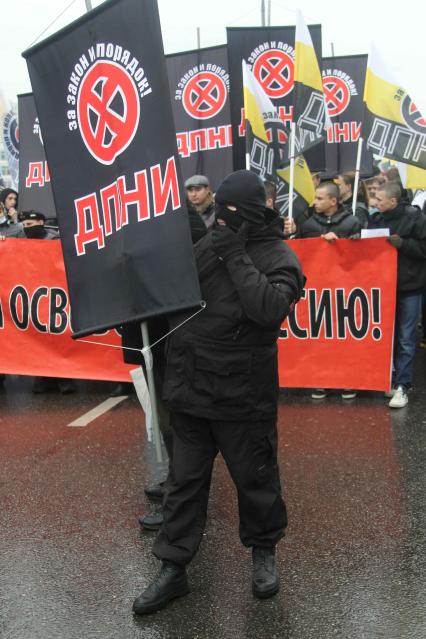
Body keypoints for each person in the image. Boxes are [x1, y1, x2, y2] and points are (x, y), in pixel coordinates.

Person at [132, 170, 304, 615]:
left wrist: (235, 255)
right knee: (184, 484)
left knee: (256, 481)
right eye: (219, 210)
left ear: (251, 213)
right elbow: (170, 298)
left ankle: (263, 552)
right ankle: (173, 567)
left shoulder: (280, 256)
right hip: (191, 389)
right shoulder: (206, 244)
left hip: (243, 396)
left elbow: (268, 309)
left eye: (231, 211)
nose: (223, 219)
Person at [298, 182, 362, 401]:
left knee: (344, 336)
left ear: (333, 201)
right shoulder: (307, 225)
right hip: (318, 290)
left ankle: (346, 380)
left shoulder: (352, 222)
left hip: (345, 289)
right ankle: (321, 380)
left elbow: (363, 253)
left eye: (319, 198)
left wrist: (348, 242)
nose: (314, 202)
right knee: (321, 336)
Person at [369, 182, 426, 408]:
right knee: (388, 338)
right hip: (384, 286)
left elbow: (423, 250)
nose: (375, 203)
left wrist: (402, 244)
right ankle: (390, 380)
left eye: (380, 200)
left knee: (405, 338)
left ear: (393, 201)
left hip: (410, 287)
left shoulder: (415, 218)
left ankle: (403, 386)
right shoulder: (375, 219)